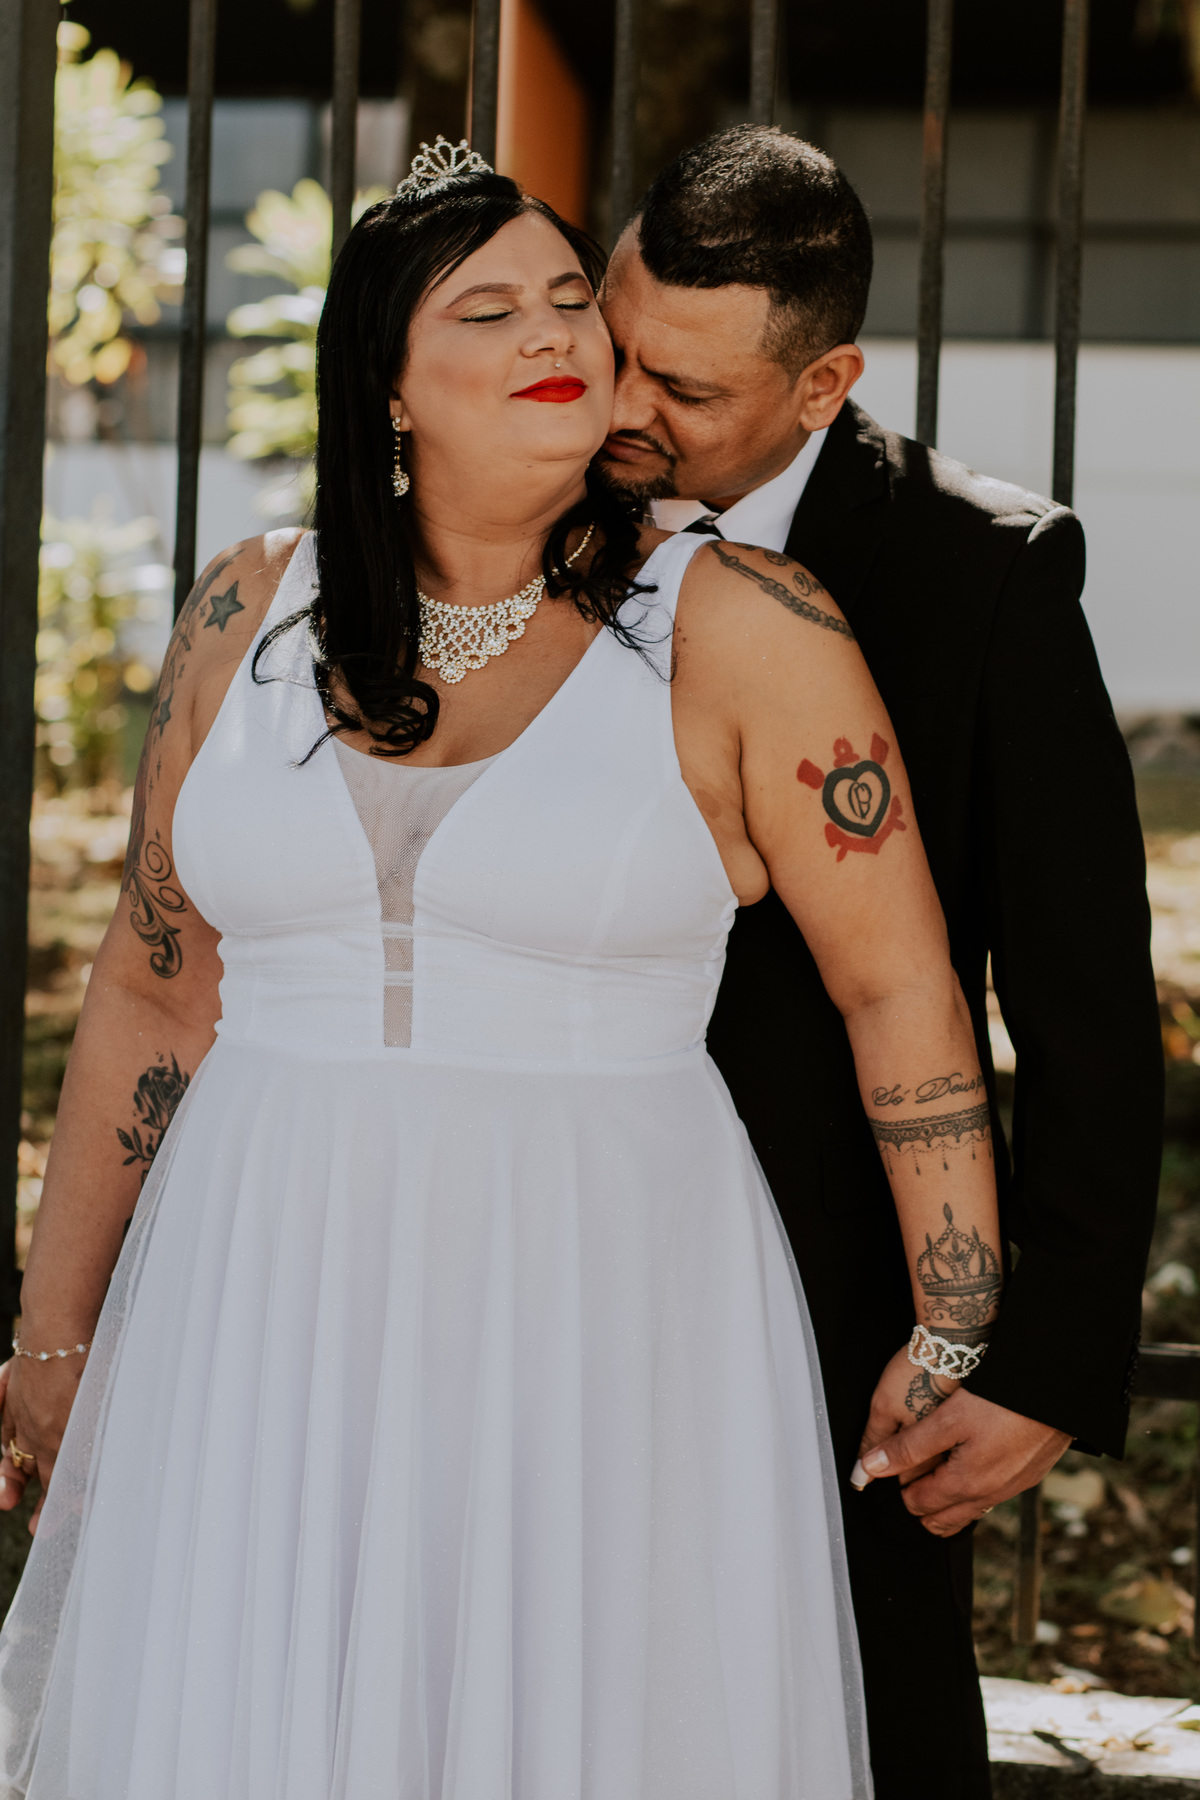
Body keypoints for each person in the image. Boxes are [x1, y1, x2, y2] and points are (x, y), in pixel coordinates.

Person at [0, 138, 1002, 1798]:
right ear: (387, 387)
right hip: (265, 1289)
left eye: (568, 297)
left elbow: (897, 986)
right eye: (488, 309)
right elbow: (153, 985)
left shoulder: (747, 622)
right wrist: (52, 1341)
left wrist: (956, 1320)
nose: (553, 330)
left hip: (603, 1294)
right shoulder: (245, 610)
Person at [598, 124, 1164, 1800]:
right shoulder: (532, 514)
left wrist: (1039, 1359)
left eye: (685, 388)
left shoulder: (982, 575)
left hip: (847, 1300)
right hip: (556, 1240)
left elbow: (1085, 1004)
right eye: (617, 342)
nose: (623, 404)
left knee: (853, 1723)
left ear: (824, 380)